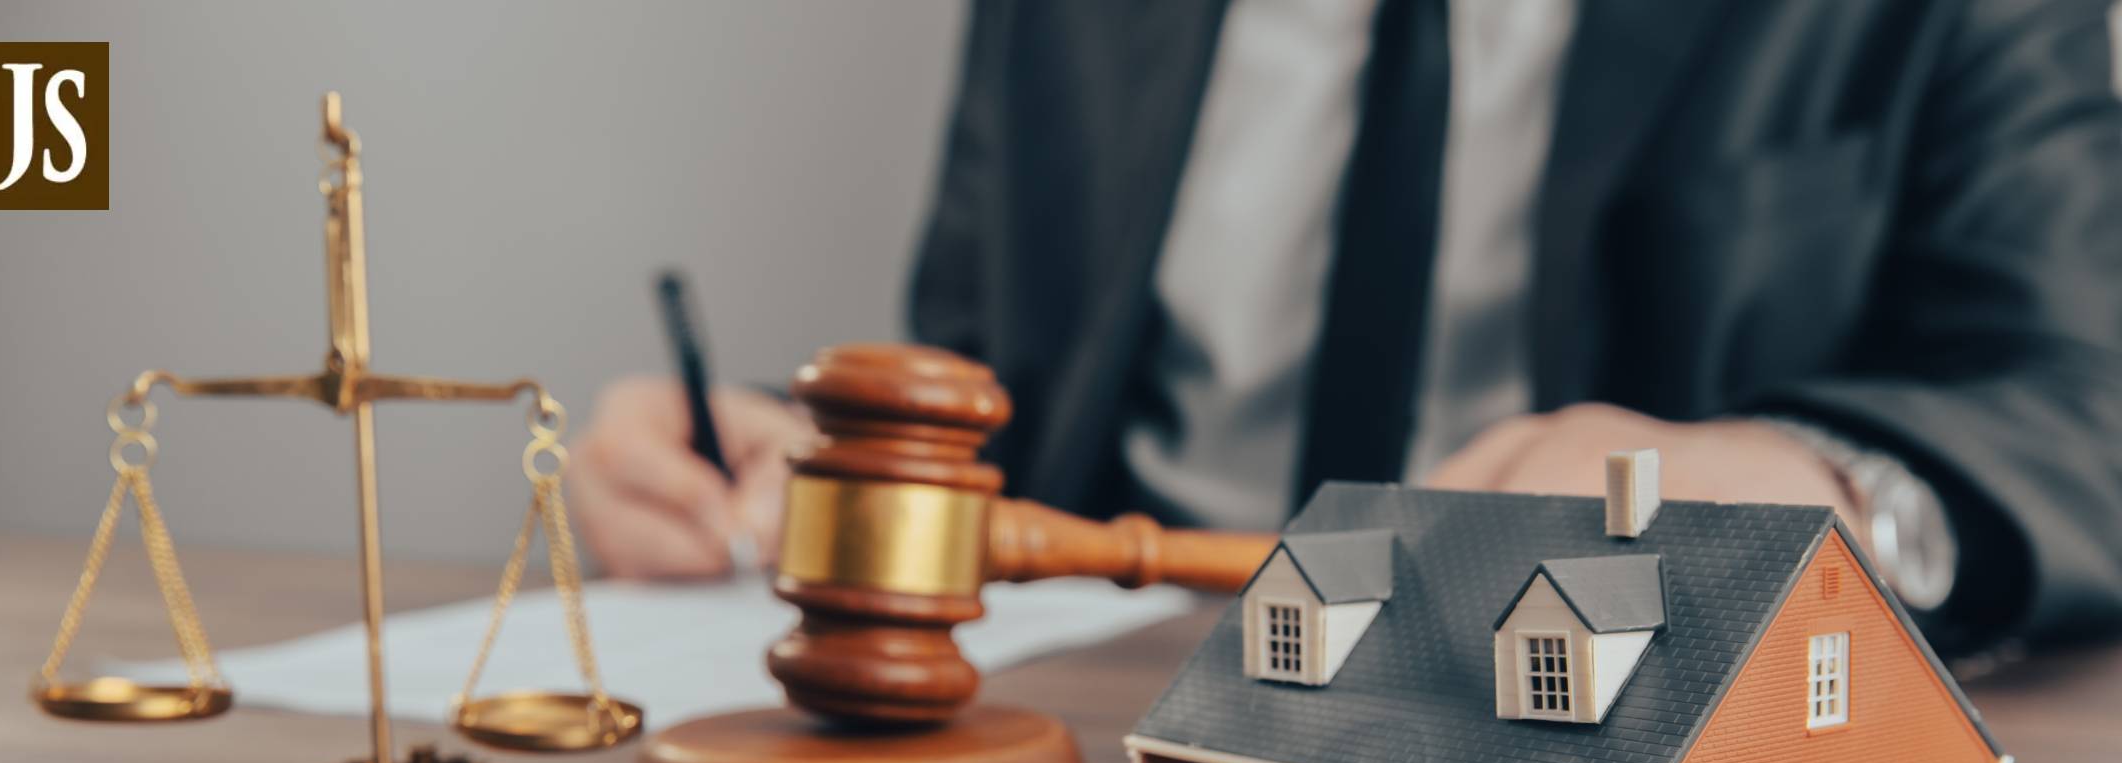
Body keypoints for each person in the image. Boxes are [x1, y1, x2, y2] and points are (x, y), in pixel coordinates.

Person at [571, 0, 2122, 655]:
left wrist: (1820, 481)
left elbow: (2087, 405)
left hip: (1565, 704)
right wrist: (816, 450)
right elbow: (1005, 386)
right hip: (1139, 701)